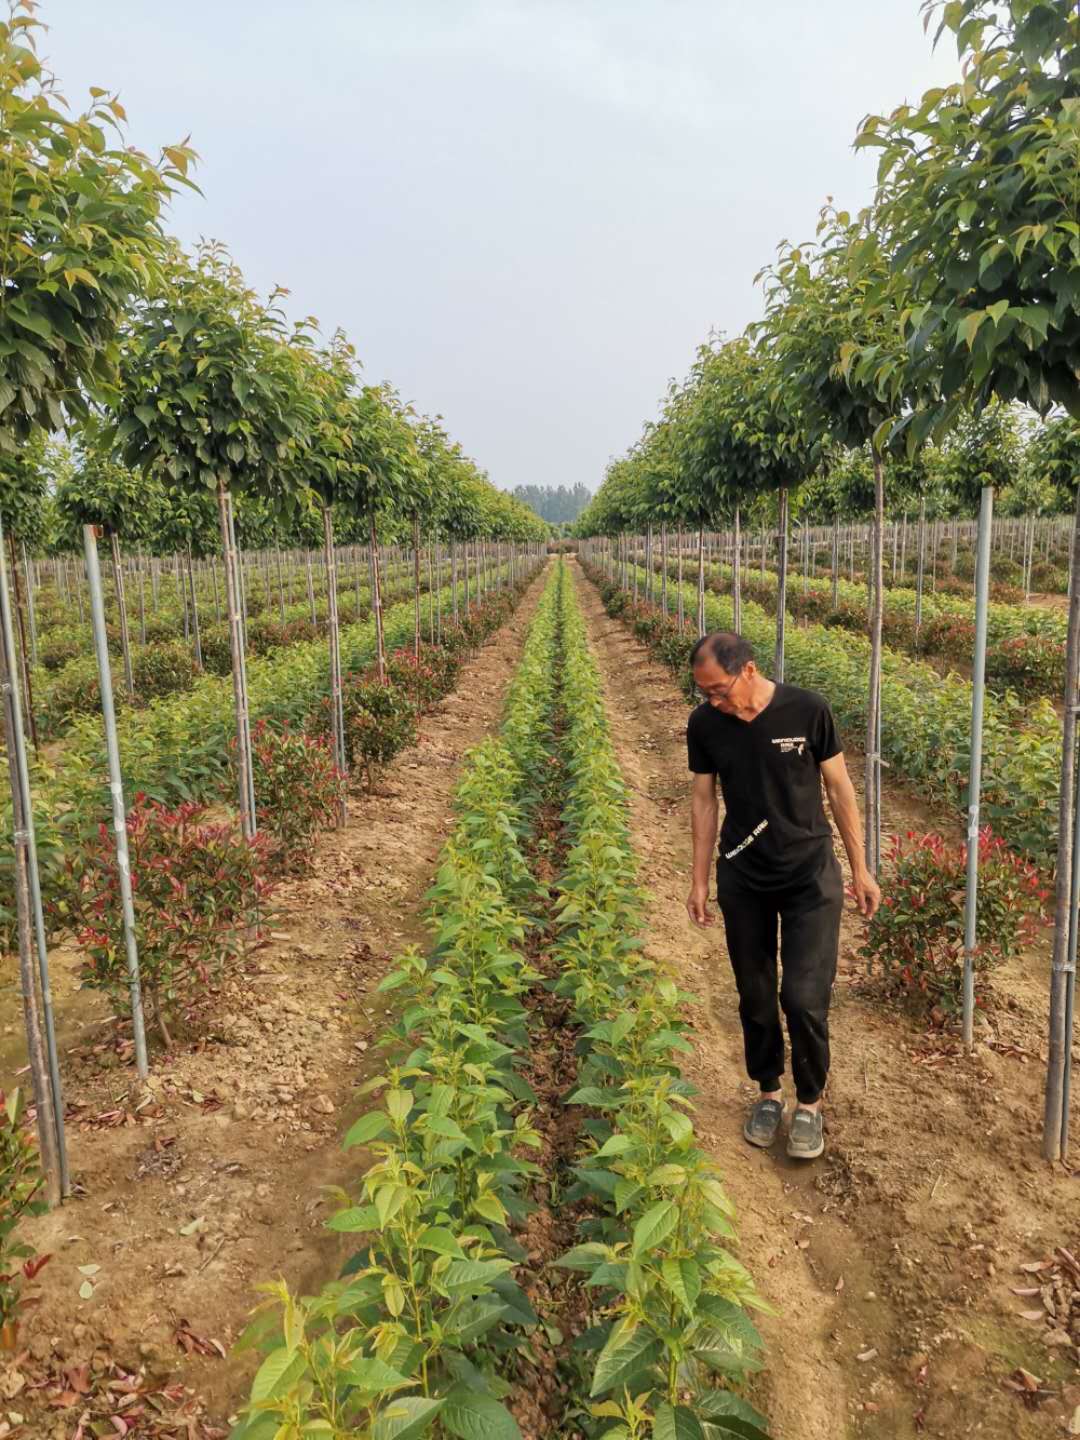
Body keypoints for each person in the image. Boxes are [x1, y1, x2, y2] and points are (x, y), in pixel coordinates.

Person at [685, 630, 880, 1160]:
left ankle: (810, 1103)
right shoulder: (706, 725)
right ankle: (769, 1092)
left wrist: (861, 869)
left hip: (808, 876)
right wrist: (700, 878)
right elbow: (704, 802)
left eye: (720, 690)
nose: (714, 702)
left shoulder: (807, 710)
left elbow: (839, 789)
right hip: (743, 875)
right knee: (754, 993)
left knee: (803, 995)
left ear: (748, 669)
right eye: (706, 694)